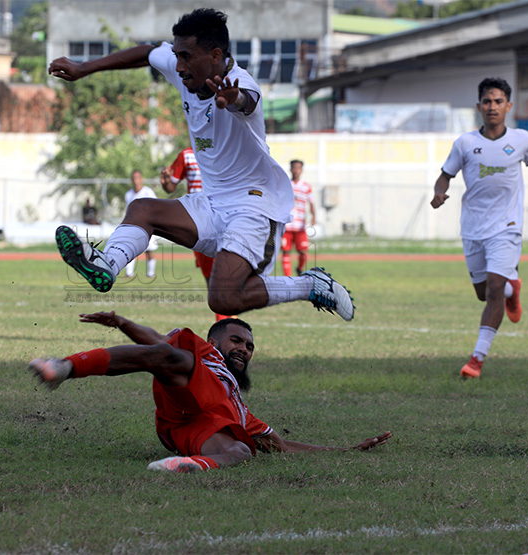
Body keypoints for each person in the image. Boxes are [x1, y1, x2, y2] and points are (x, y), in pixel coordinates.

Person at [49, 8, 354, 321]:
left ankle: (310, 284)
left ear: (215, 55)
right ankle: (107, 265)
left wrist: (232, 99)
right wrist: (84, 68)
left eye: (186, 56)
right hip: (212, 204)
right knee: (143, 209)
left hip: (254, 210)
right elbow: (146, 53)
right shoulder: (185, 67)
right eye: (177, 55)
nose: (178, 66)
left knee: (223, 299)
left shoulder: (240, 83)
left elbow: (245, 100)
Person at [29, 311, 391, 472]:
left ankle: (186, 467)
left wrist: (345, 450)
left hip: (199, 426)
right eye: (237, 340)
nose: (244, 349)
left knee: (240, 450)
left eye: (249, 347)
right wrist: (123, 322)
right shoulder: (201, 353)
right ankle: (64, 367)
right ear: (214, 340)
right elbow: (155, 342)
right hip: (185, 389)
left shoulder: (240, 407)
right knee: (169, 354)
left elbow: (282, 447)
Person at [431, 77, 528, 378]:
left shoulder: (522, 140)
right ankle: (515, 288)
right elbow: (445, 175)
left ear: (508, 106)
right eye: (487, 101)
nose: (492, 107)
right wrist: (438, 193)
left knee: (495, 288)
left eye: (498, 101)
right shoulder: (465, 143)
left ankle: (476, 360)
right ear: (479, 106)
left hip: (507, 227)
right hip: (473, 227)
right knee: (484, 293)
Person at [161, 146, 230, 321]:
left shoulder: (226, 149)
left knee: (221, 275)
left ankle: (227, 323)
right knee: (210, 277)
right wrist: (165, 182)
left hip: (221, 220)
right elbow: (171, 186)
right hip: (198, 223)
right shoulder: (187, 154)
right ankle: (225, 320)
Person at [280, 160, 316, 276]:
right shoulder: (285, 185)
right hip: (287, 225)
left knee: (303, 252)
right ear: (290, 169)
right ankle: (287, 278)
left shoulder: (306, 187)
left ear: (302, 170)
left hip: (300, 226)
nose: (296, 170)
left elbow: (311, 203)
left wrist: (314, 216)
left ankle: (299, 268)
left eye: (298, 168)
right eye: (294, 167)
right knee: (286, 251)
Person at [122, 169, 158, 278]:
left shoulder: (148, 192)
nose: (135, 180)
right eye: (133, 178)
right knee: (130, 250)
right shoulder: (128, 194)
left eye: (137, 178)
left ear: (141, 179)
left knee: (150, 250)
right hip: (134, 227)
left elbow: (155, 207)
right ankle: (129, 273)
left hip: (148, 226)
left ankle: (151, 274)